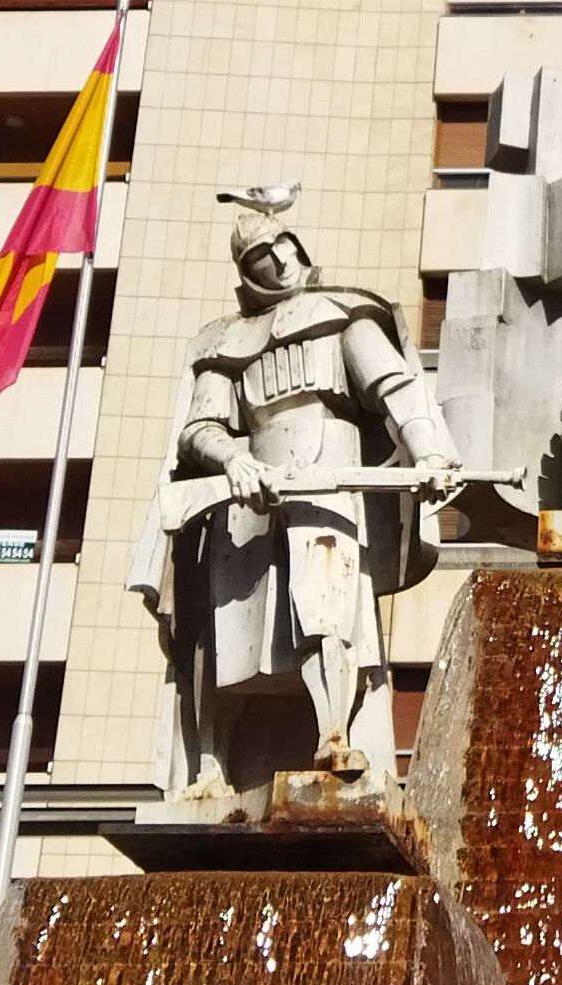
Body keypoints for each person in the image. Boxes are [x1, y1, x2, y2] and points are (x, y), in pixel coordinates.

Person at [128, 189, 458, 801]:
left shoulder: (344, 315)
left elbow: (397, 391)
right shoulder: (224, 343)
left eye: (282, 250)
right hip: (243, 494)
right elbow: (198, 428)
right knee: (224, 628)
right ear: (245, 272)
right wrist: (234, 459)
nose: (277, 266)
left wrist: (431, 452)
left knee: (327, 609)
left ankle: (334, 735)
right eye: (260, 259)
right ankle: (209, 764)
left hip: (329, 475)